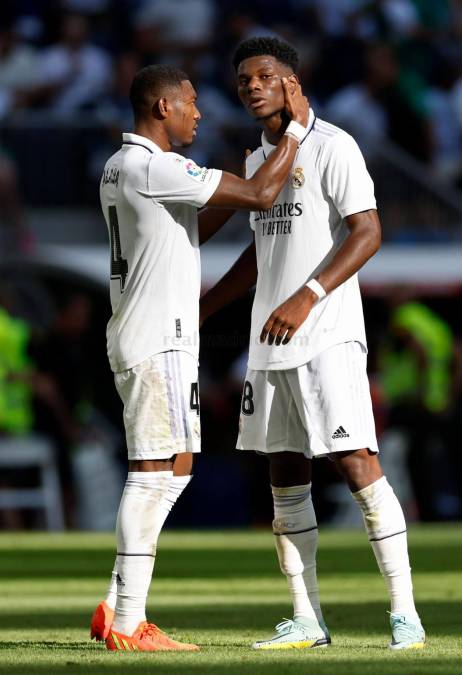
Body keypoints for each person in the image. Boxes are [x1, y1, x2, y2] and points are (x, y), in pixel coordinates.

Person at [200, 36, 425, 651]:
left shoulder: (335, 145)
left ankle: (405, 612)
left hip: (325, 333)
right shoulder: (258, 161)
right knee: (285, 477)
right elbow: (260, 250)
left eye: (264, 75)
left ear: (292, 82)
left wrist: (308, 296)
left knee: (357, 464)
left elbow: (368, 232)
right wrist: (203, 308)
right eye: (243, 78)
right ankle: (307, 617)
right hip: (269, 342)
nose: (251, 85)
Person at [92, 63, 309, 652]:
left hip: (159, 335)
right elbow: (264, 195)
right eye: (191, 102)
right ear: (163, 107)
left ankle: (114, 600)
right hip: (157, 336)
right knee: (152, 470)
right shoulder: (156, 166)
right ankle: (130, 623)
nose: (200, 112)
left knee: (179, 466)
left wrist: (242, 177)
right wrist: (295, 134)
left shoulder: (122, 167)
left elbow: (193, 229)